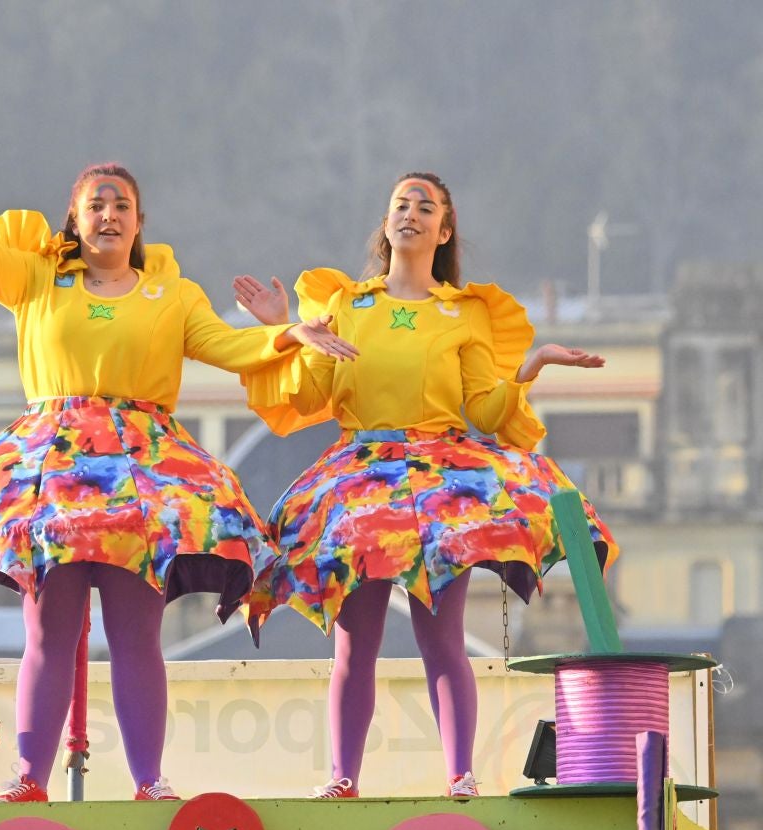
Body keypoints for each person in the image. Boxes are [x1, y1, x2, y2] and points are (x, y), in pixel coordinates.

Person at [0, 121, 348, 802]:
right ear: (74, 221)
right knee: (49, 629)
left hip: (143, 474)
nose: (108, 215)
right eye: (95, 206)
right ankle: (29, 779)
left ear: (139, 223)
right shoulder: (39, 277)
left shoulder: (172, 296)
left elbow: (231, 350)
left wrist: (286, 331)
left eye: (121, 207)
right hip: (52, 469)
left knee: (137, 631)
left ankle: (149, 780)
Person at [235, 172, 618, 798]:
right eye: (400, 204)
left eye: (426, 207)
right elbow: (311, 395)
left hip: (442, 482)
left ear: (444, 232)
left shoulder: (462, 315)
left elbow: (489, 413)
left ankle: (460, 775)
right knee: (356, 639)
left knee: (441, 634)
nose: (410, 213)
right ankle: (343, 777)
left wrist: (532, 365)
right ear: (386, 225)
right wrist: (285, 329)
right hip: (361, 478)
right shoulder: (347, 306)